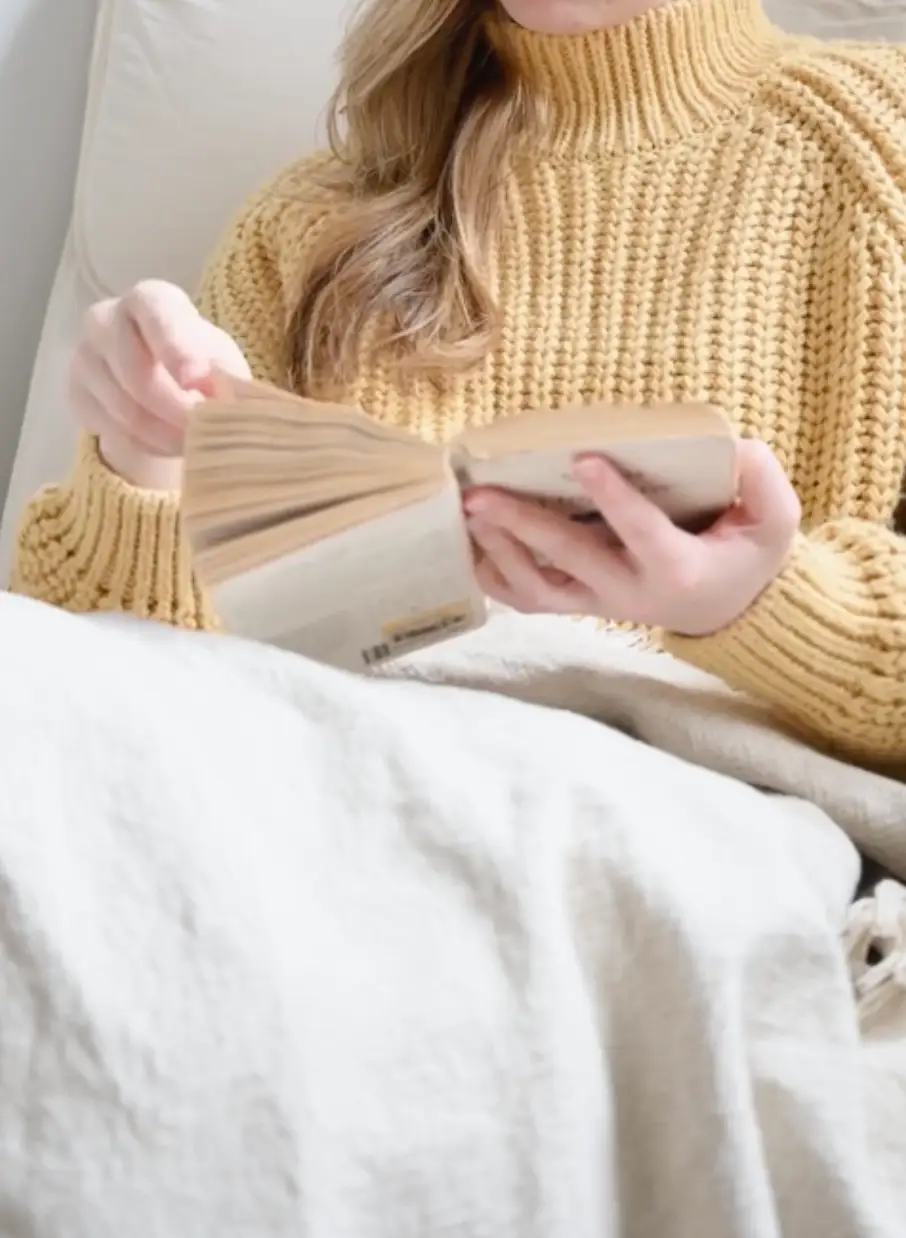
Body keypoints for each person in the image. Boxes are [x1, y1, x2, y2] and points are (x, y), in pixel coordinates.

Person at [11, 0, 906, 762]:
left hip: (680, 847)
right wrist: (144, 469)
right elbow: (92, 714)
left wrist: (763, 606)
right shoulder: (314, 218)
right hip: (314, 805)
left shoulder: (880, 144)